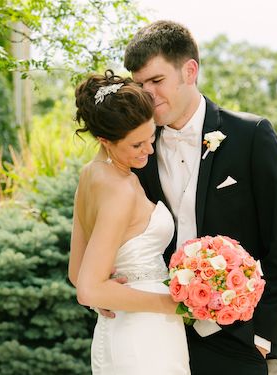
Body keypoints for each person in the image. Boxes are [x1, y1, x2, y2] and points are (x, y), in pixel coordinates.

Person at [121, 20, 277, 375]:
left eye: (156, 81)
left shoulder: (251, 136)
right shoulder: (137, 148)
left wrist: (263, 334)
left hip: (237, 336)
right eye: (140, 84)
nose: (148, 94)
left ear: (189, 71)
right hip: (156, 330)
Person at [68, 70, 190, 374]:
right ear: (105, 140)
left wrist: (106, 296)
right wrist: (176, 305)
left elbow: (76, 271)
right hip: (145, 336)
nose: (148, 150)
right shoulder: (120, 190)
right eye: (137, 145)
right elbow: (88, 290)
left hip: (124, 327)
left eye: (150, 138)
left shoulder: (90, 175)